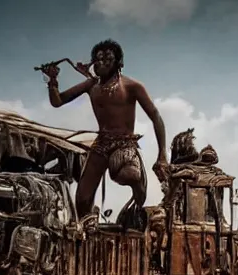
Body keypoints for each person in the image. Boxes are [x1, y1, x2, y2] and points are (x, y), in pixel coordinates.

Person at [41, 39, 170, 218]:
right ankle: (87, 229)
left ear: (119, 63)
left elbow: (156, 116)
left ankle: (138, 188)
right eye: (98, 58)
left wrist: (162, 154)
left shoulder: (132, 86)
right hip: (101, 144)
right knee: (82, 200)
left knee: (127, 175)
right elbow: (58, 101)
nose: (101, 62)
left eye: (107, 58)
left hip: (124, 144)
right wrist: (52, 80)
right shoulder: (91, 85)